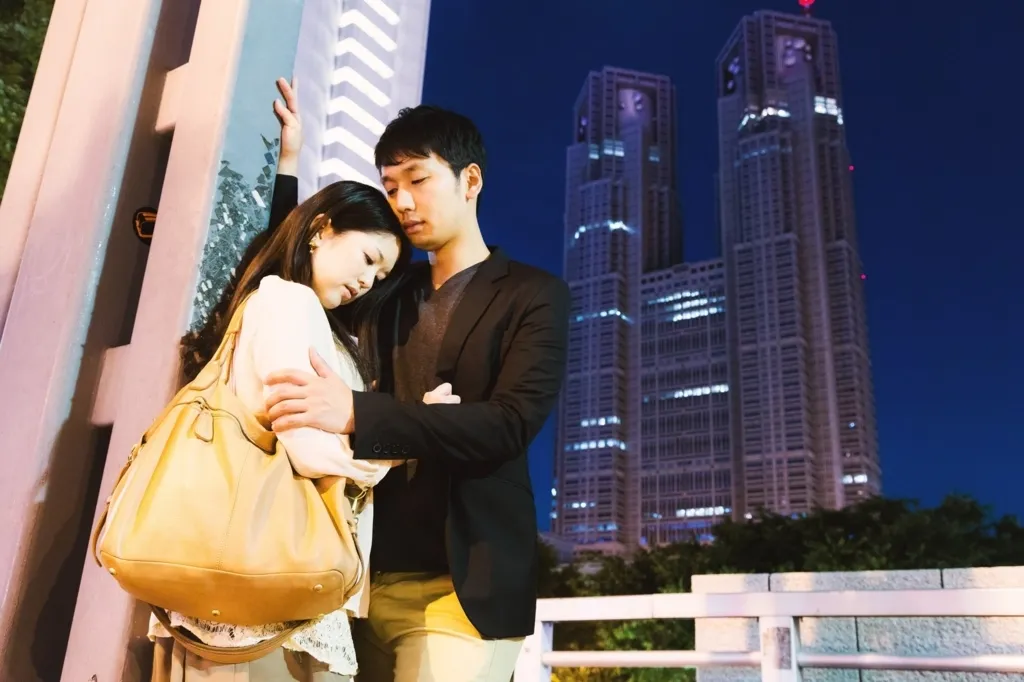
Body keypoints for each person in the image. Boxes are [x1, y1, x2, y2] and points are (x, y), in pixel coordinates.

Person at [263, 81, 570, 682]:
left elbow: (508, 425)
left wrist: (358, 413)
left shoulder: (534, 294)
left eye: (418, 180)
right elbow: (291, 277)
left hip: (462, 587)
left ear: (470, 180)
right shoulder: (383, 290)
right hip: (354, 579)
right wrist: (289, 162)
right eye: (389, 186)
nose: (402, 201)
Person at [149, 78, 432, 682]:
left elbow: (283, 250)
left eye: (382, 276)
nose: (369, 282)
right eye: (369, 259)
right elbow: (310, 450)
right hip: (265, 589)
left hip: (261, 582)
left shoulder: (300, 309)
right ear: (323, 229)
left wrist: (290, 160)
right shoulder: (289, 302)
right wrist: (407, 435)